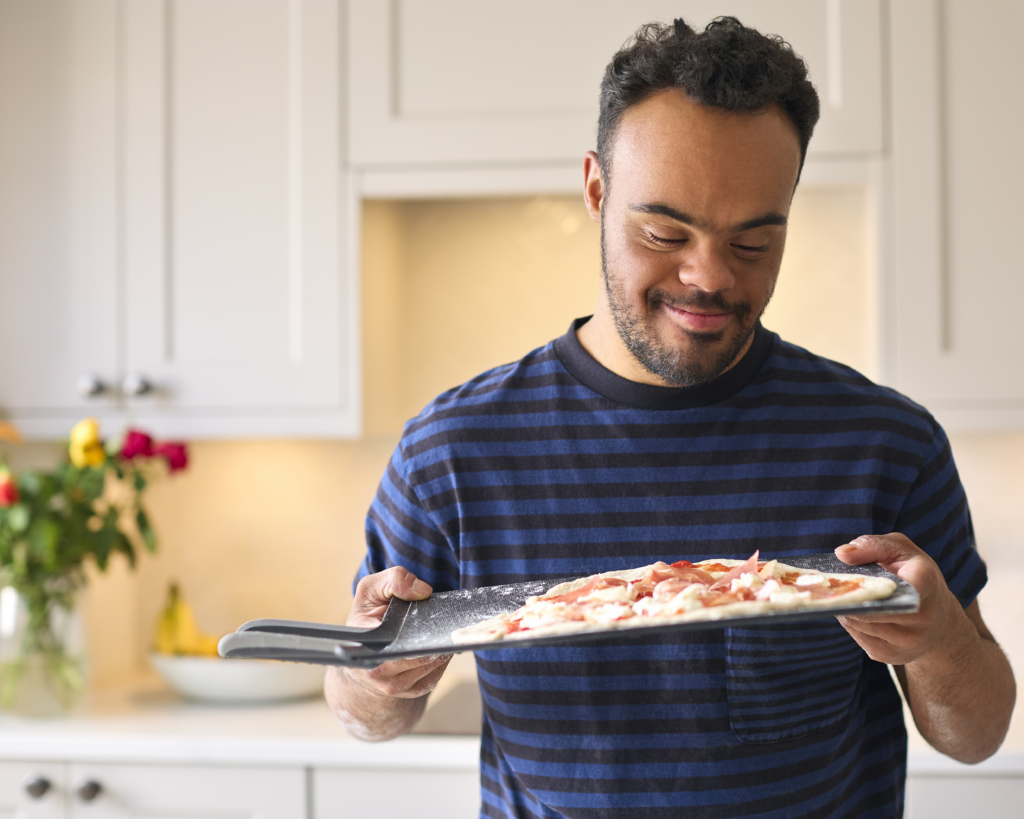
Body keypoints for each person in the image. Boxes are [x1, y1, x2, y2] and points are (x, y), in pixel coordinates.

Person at [325, 17, 1015, 818]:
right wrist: (373, 675)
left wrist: (937, 642)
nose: (708, 275)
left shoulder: (886, 442)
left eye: (753, 241)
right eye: (663, 231)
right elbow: (362, 711)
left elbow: (978, 731)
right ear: (595, 190)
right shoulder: (453, 451)